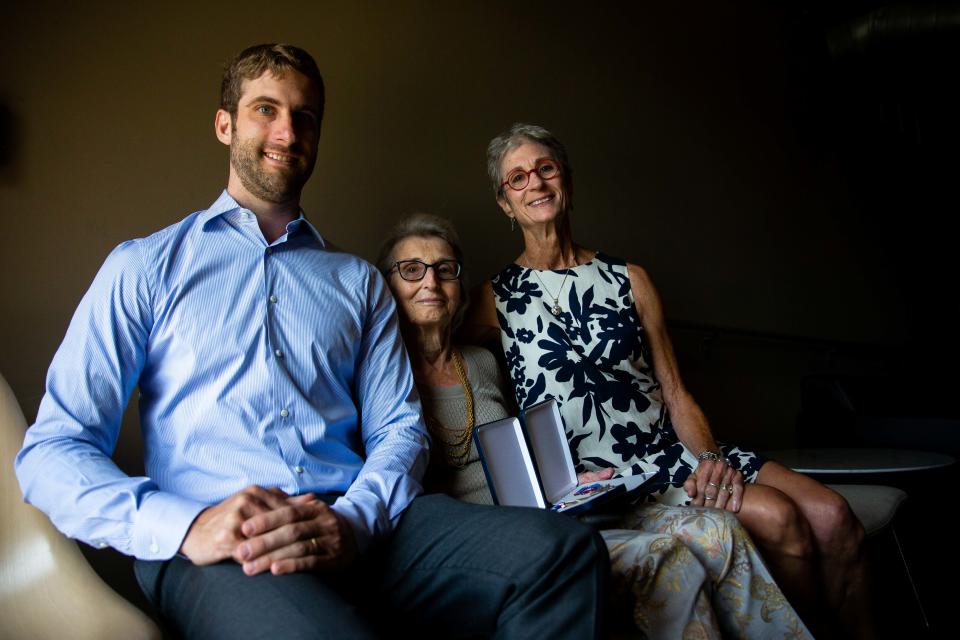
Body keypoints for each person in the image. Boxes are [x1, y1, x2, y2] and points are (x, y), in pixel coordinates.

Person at [13, 47, 610, 639]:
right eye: (265, 110)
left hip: (365, 526)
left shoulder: (357, 283)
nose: (286, 131)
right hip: (224, 548)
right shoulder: (144, 268)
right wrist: (189, 526)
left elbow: (399, 431)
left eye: (305, 117)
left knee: (562, 554)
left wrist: (352, 522)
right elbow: (54, 450)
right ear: (225, 124)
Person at [463, 122, 872, 637]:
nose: (535, 184)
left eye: (546, 169)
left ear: (566, 179)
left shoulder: (630, 277)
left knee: (834, 518)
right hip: (605, 478)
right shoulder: (492, 299)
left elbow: (675, 391)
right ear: (504, 202)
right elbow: (439, 353)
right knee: (780, 519)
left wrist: (708, 459)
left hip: (671, 448)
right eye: (517, 179)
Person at [378, 212, 812, 639]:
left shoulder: (482, 361)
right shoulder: (380, 375)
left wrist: (572, 482)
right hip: (478, 542)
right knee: (667, 556)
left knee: (721, 528)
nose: (431, 282)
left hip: (543, 518)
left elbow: (522, 452)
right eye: (412, 270)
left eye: (444, 269)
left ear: (460, 286)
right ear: (387, 286)